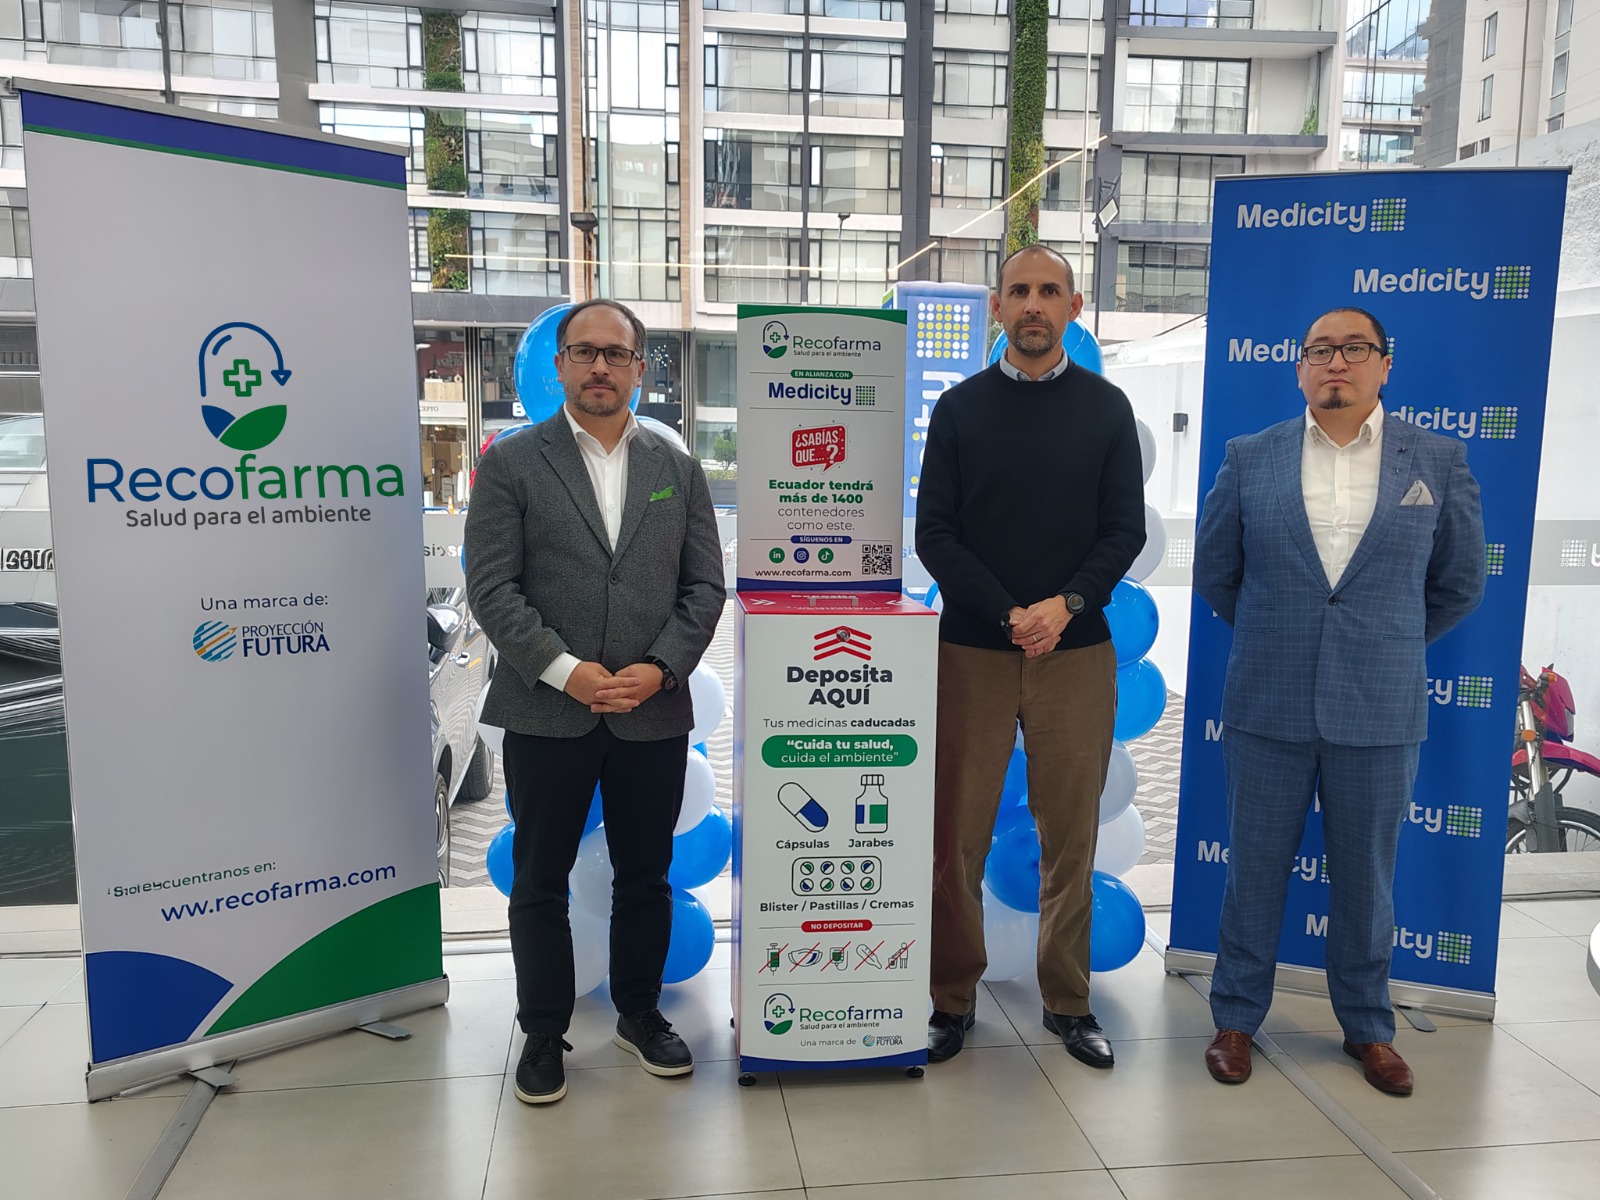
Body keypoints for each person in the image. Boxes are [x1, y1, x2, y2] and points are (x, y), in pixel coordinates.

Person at [1193, 306, 1486, 1097]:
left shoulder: (1438, 459)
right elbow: (1217, 572)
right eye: (1320, 350)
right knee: (1254, 872)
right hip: (1268, 700)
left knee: (1367, 880)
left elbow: (1460, 583)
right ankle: (1235, 1020)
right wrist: (1281, 632)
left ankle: (1368, 1028)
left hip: (1380, 706)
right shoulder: (1250, 457)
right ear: (1299, 369)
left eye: (1355, 349)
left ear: (1385, 365)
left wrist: (1386, 640)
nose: (1337, 363)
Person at [464, 298, 725, 1105]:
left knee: (645, 875)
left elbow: (705, 587)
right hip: (548, 710)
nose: (601, 367)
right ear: (561, 366)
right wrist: (563, 669)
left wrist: (661, 668)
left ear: (641, 368)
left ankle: (639, 1013)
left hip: (652, 710)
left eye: (617, 354)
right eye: (585, 352)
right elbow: (492, 587)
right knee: (539, 878)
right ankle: (544, 1031)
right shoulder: (512, 463)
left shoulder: (677, 469)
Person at [915, 244, 1147, 1067]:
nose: (1034, 305)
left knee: (1071, 836)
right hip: (973, 650)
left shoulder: (1106, 409)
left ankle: (1068, 1002)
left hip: (1076, 652)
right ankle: (950, 1001)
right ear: (997, 307)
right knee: (956, 839)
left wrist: (1065, 606)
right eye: (1019, 291)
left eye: (1050, 291)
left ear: (1074, 308)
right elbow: (935, 533)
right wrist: (1009, 612)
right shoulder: (960, 410)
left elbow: (1124, 531)